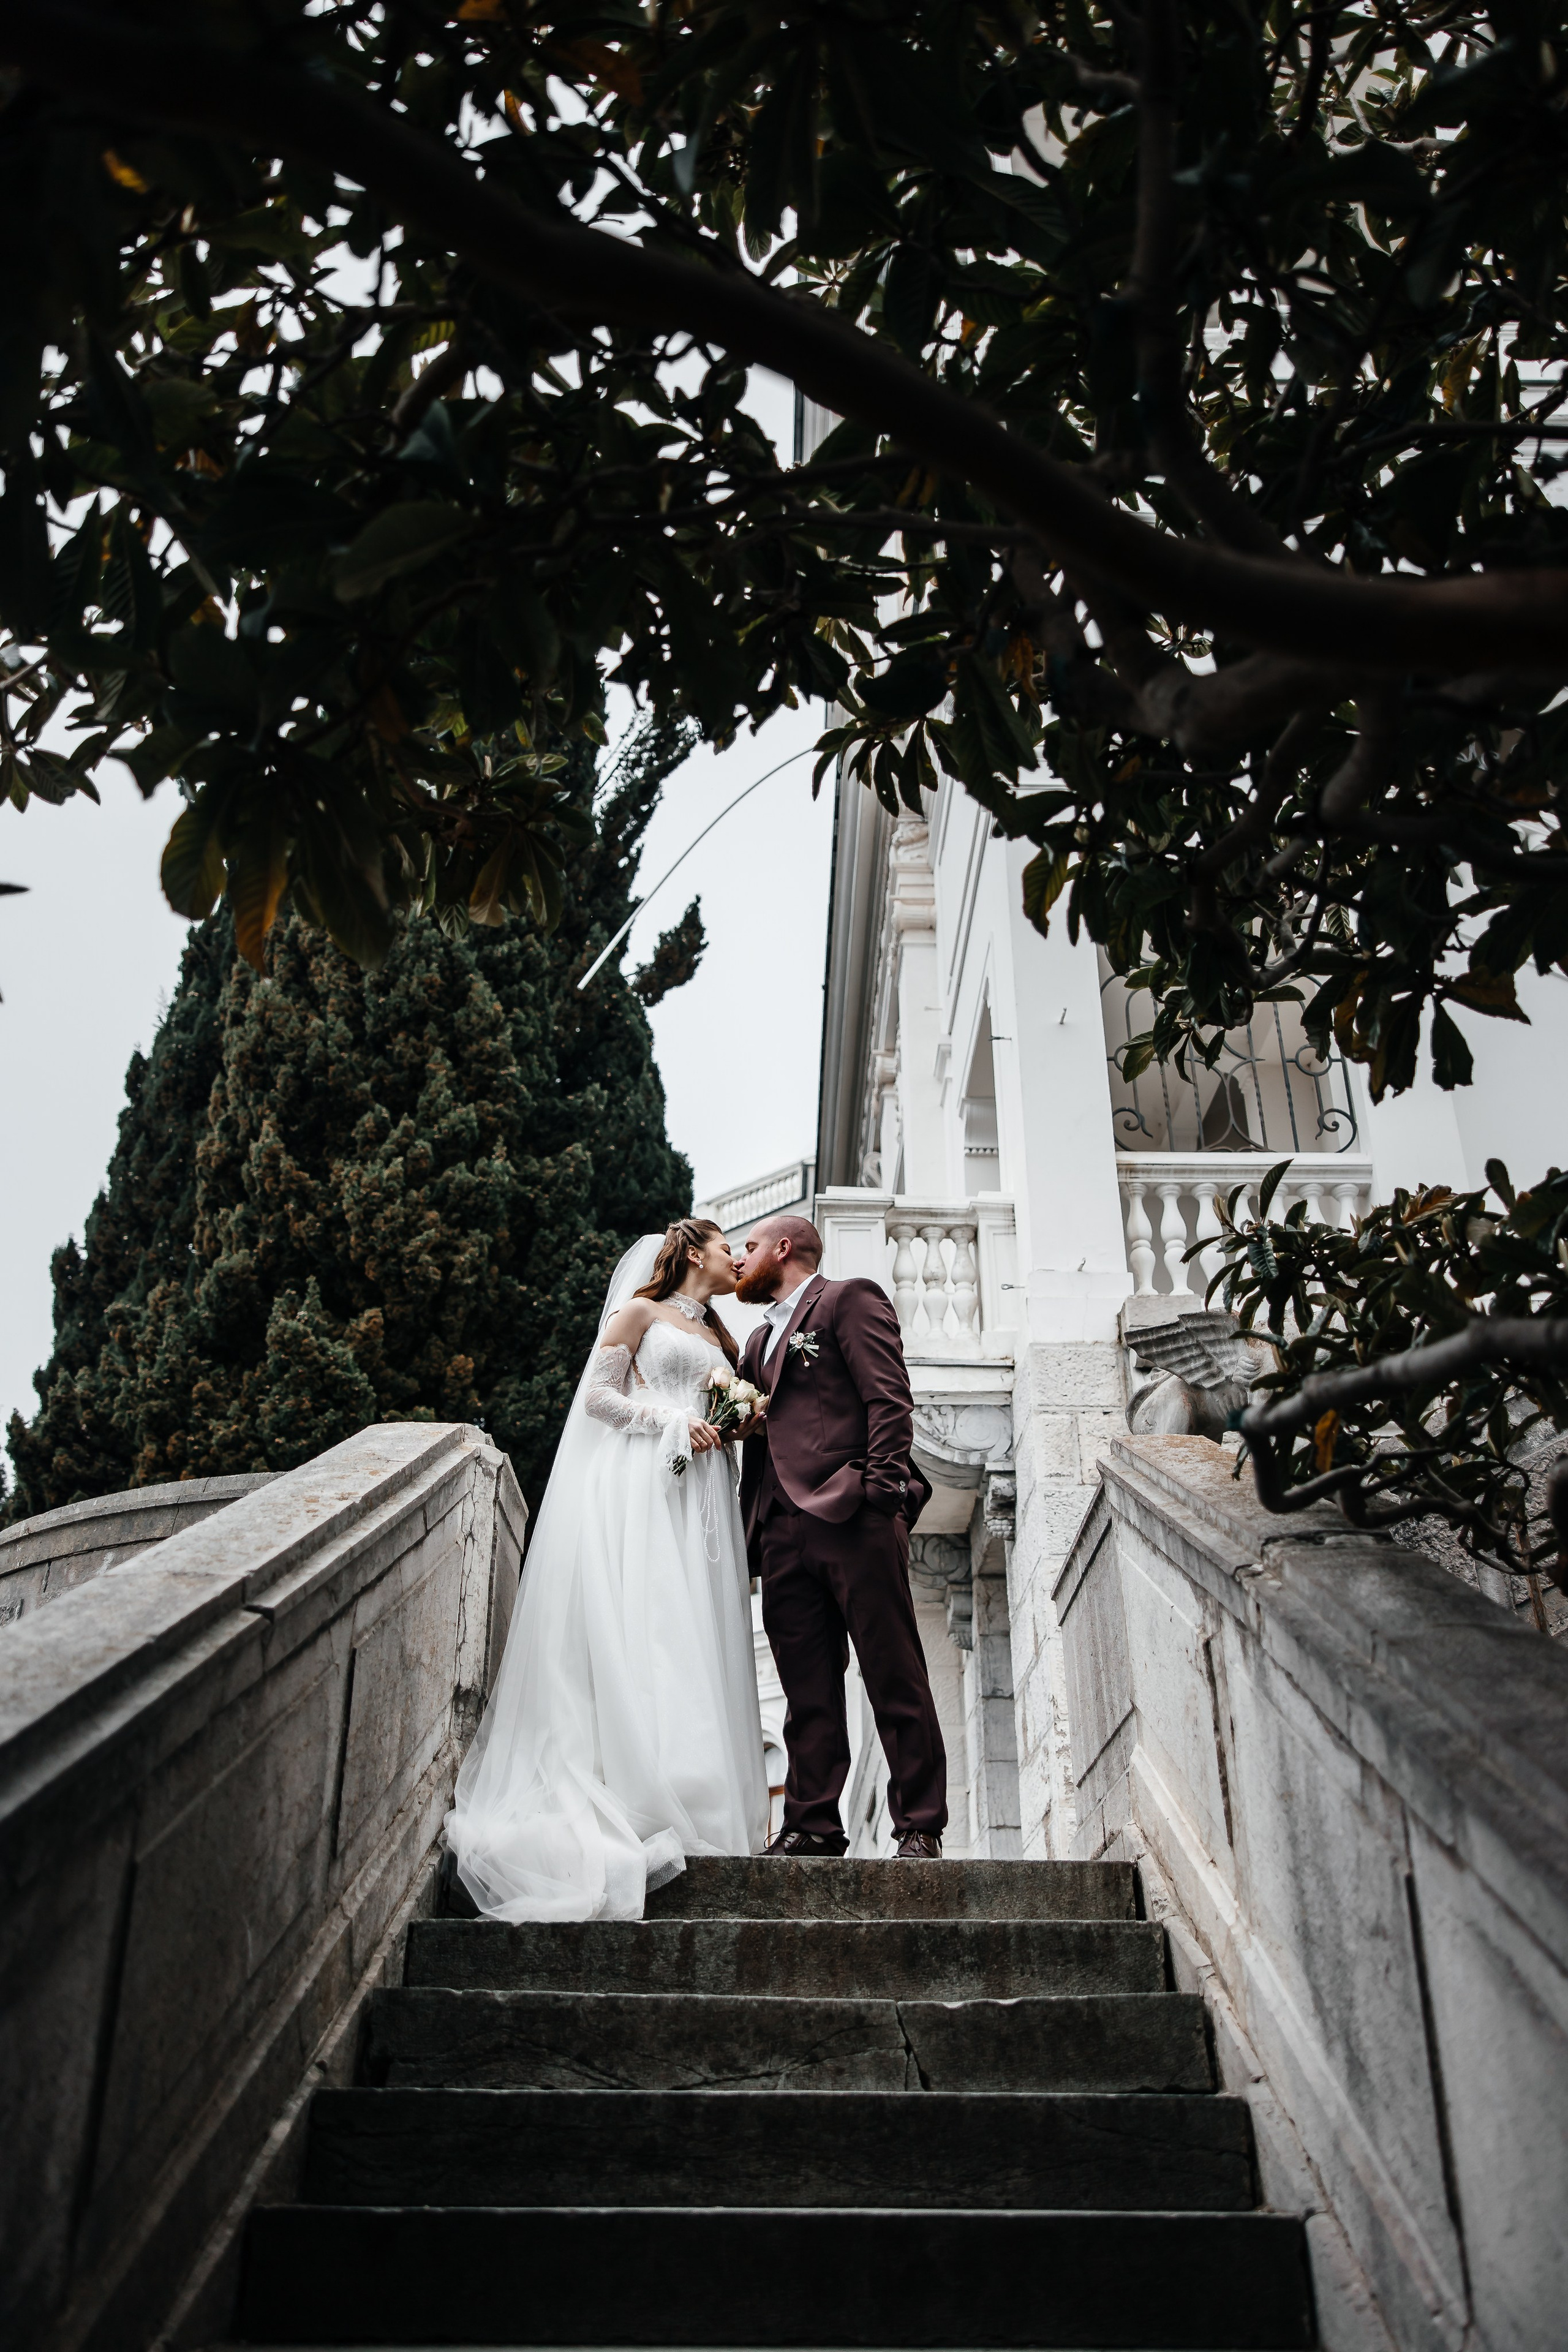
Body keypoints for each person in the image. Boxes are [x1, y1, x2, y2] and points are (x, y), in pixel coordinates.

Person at [446, 1220, 768, 1920]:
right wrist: (671, 1424)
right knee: (651, 1619)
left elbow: (724, 1408)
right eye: (725, 1247)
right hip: (644, 1483)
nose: (734, 1258)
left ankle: (700, 1791)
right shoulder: (639, 1314)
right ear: (690, 1253)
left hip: (703, 1493)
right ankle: (644, 1790)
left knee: (699, 1634)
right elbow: (595, 1400)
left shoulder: (721, 1337)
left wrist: (735, 1422)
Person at [734, 1213, 947, 1859]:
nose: (739, 1262)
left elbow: (889, 1399)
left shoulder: (847, 1298)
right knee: (806, 1689)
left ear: (783, 1247)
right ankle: (811, 1825)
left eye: (747, 1248)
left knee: (892, 1672)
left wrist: (880, 1496)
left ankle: (918, 1824)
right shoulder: (753, 1343)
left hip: (852, 1516)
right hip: (778, 1532)